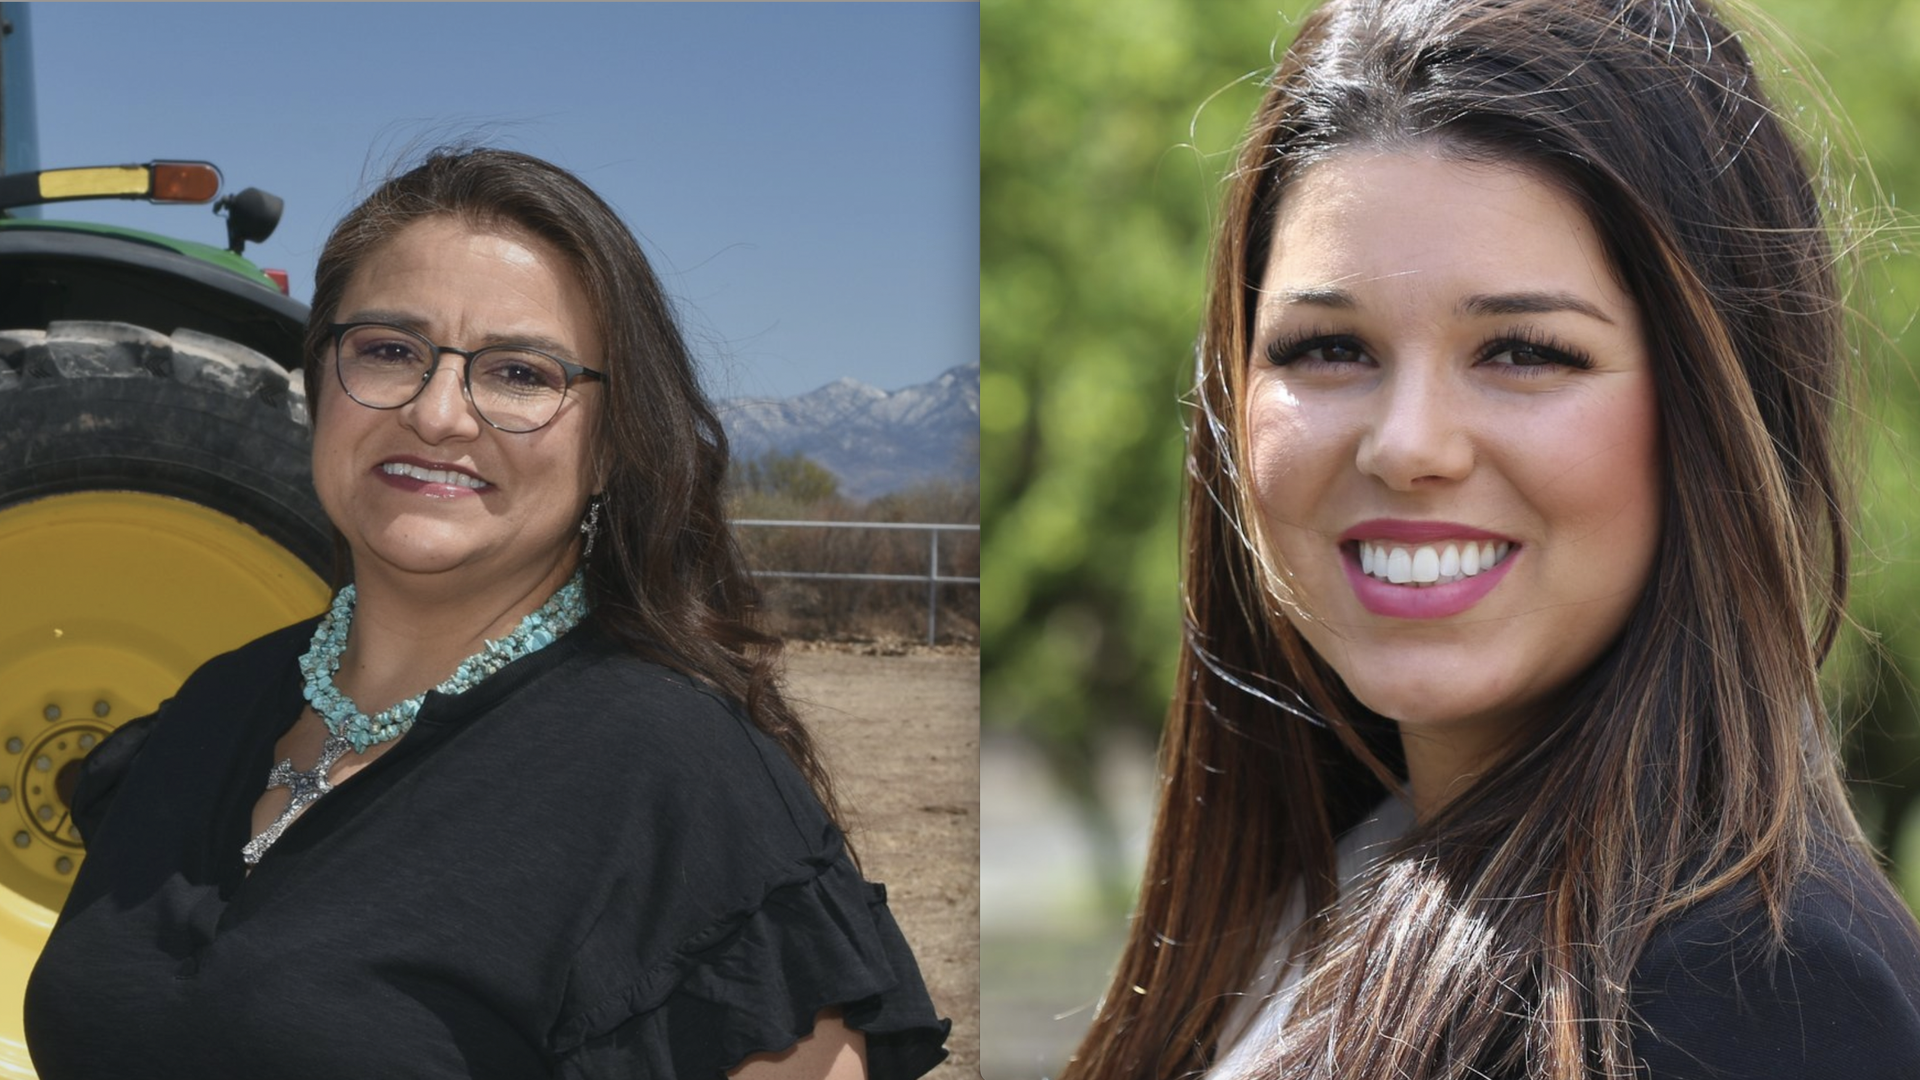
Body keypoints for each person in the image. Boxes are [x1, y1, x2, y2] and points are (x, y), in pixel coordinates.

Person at [1060, 1, 1920, 1077]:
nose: (1409, 445)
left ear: (1724, 409)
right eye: (1327, 347)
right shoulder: (1330, 886)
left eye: (1523, 351)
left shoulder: (1754, 993)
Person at [22, 148, 950, 1080]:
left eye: (519, 374)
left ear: (613, 442)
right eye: (388, 350)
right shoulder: (210, 710)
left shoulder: (680, 784)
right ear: (321, 384)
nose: (438, 412)